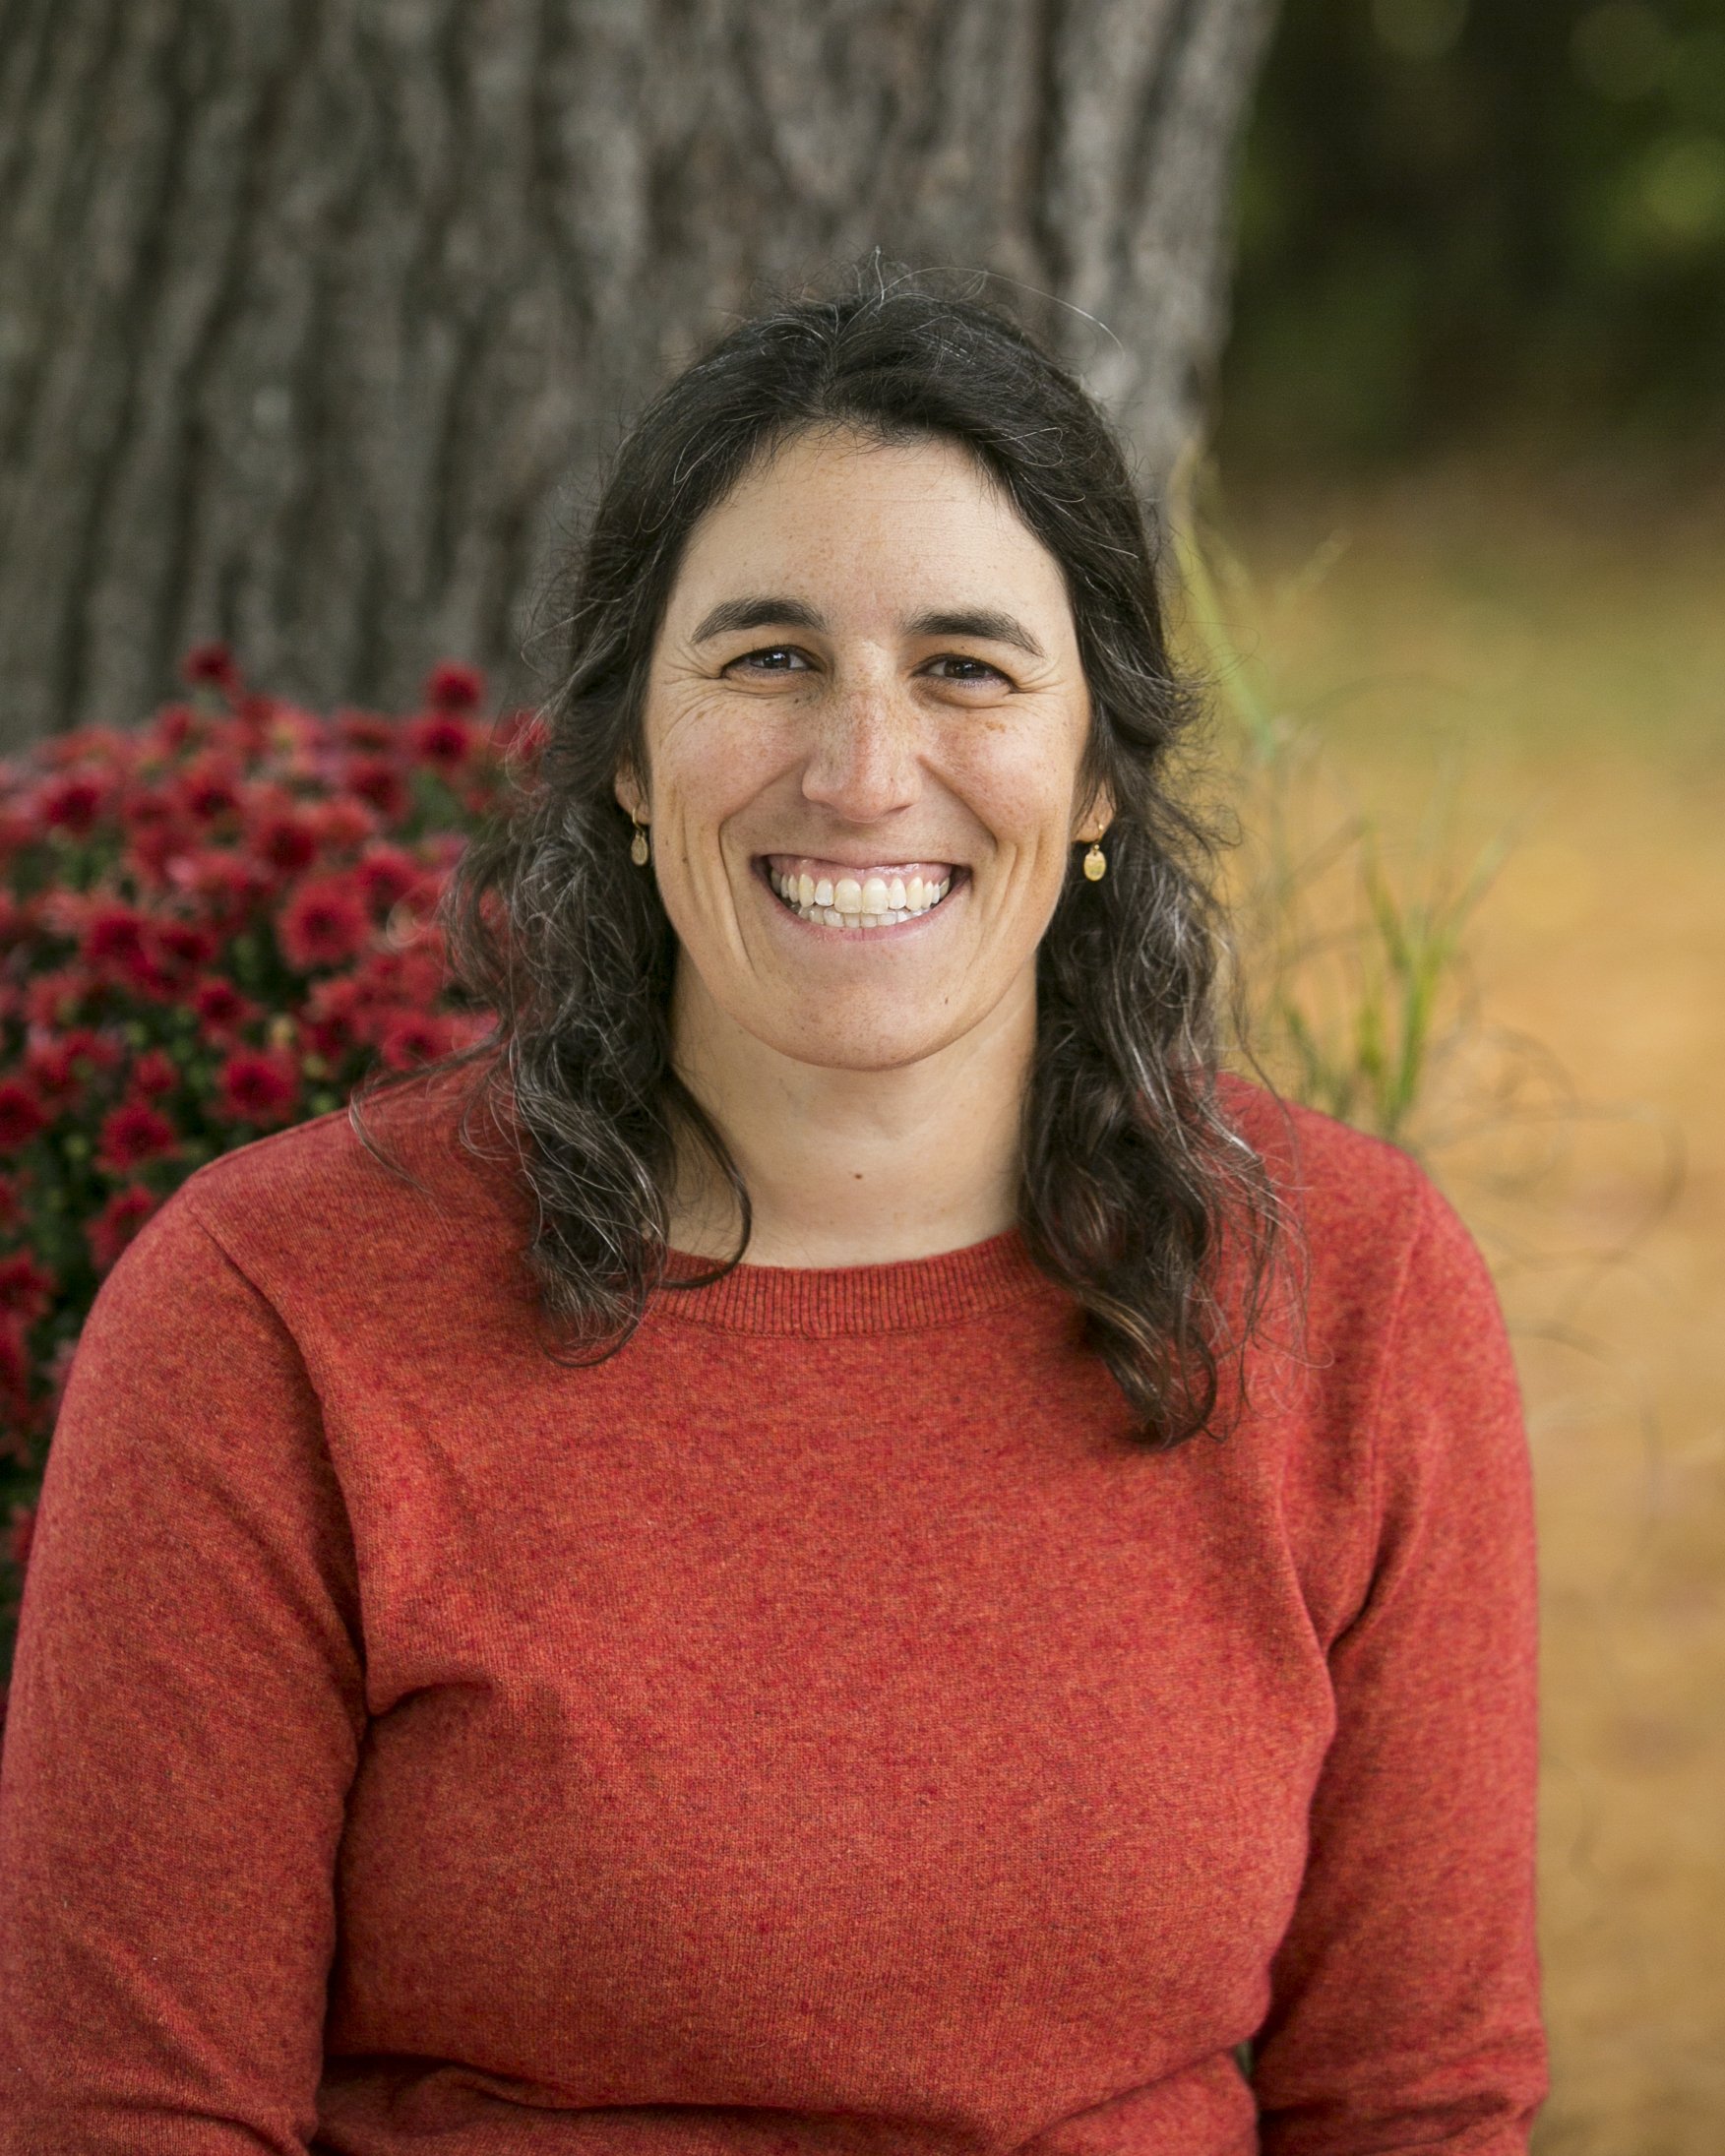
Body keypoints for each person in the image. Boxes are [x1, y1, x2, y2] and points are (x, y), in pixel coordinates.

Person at [0, 275, 1547, 2154]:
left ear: (1092, 784)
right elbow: (131, 2119)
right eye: (767, 660)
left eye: (967, 668)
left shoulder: (1346, 1286)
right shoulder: (272, 1310)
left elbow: (1415, 2102)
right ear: (634, 765)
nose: (862, 771)